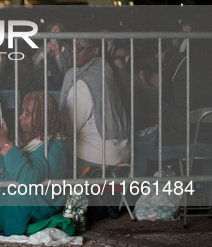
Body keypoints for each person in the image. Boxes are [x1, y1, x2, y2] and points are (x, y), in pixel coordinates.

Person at [0, 91, 70, 236]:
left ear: (43, 117)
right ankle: (3, 231)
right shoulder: (29, 139)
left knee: (16, 192)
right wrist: (6, 142)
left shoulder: (53, 146)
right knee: (9, 188)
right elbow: (2, 164)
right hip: (29, 197)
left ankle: (13, 234)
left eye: (27, 113)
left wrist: (6, 144)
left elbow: (29, 178)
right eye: (22, 111)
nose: (21, 117)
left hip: (43, 202)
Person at [134, 39, 212, 177]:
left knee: (136, 146)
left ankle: (130, 198)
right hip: (209, 141)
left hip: (179, 137)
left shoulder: (180, 61)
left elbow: (165, 97)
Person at [59, 39, 131, 172]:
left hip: (97, 160)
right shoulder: (112, 73)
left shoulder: (85, 82)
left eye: (79, 47)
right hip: (123, 156)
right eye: (71, 47)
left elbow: (68, 127)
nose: (73, 51)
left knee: (53, 152)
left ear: (95, 51)